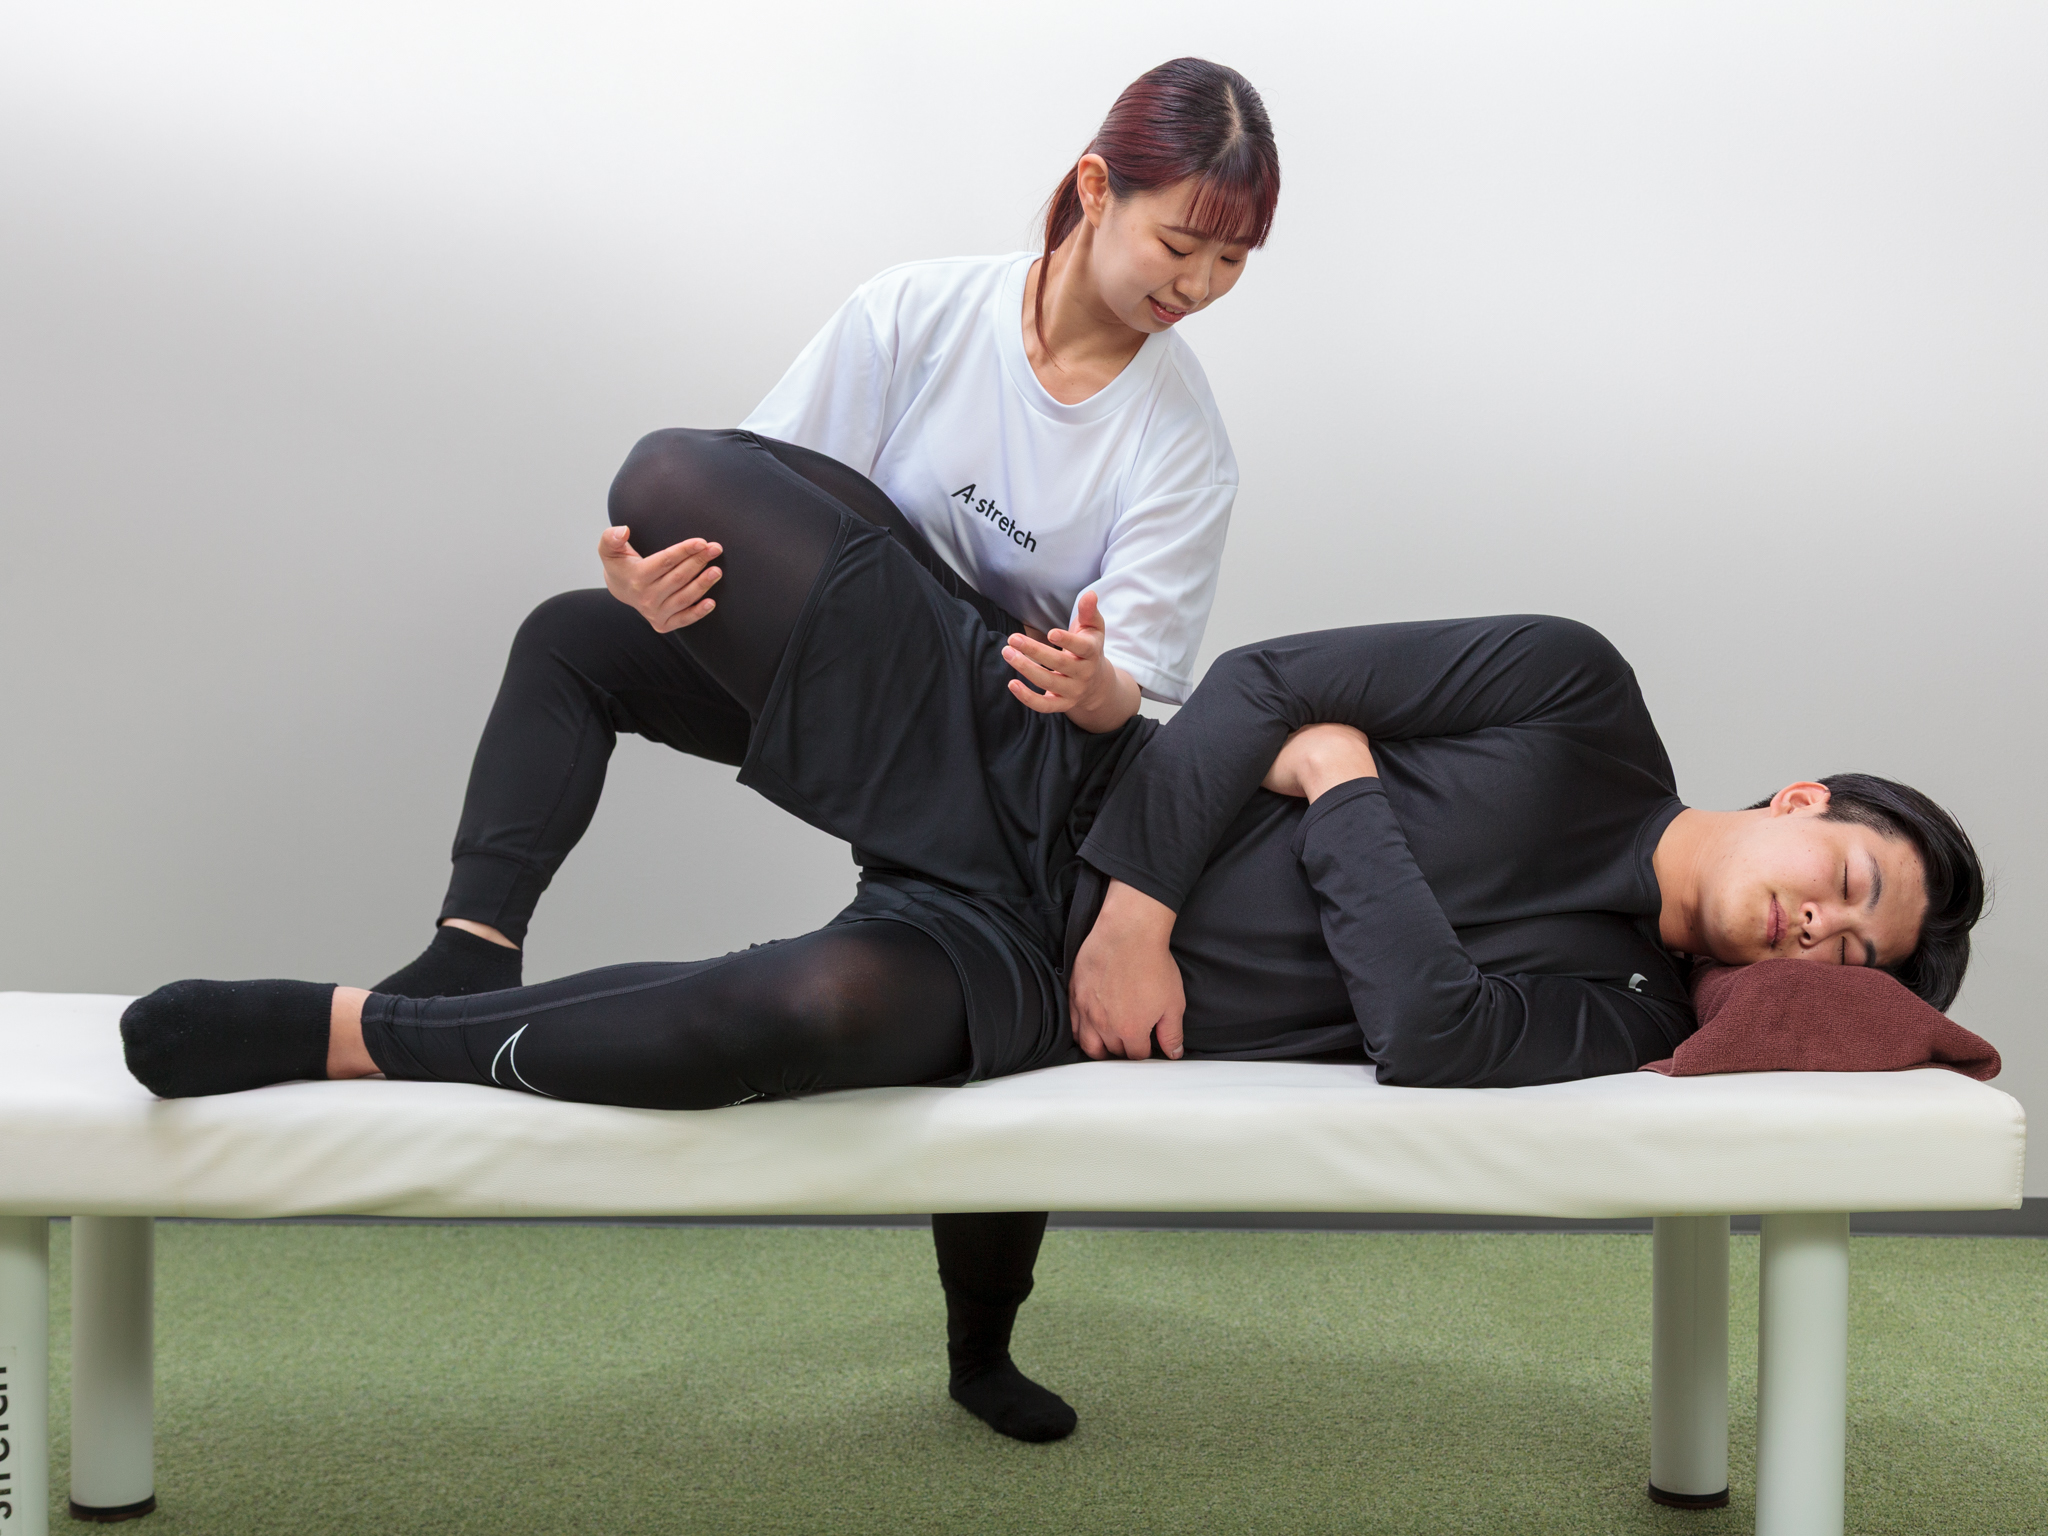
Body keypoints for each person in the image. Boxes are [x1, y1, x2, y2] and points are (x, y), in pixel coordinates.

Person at [124, 429, 1985, 1435]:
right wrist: (1146, 911)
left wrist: (1344, 793)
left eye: (1854, 957)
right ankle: (482, 928)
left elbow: (1431, 1031)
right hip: (1040, 779)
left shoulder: (1629, 1008)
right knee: (666, 500)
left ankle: (351, 1029)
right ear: (1806, 797)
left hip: (1019, 977)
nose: (1824, 929)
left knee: (772, 1021)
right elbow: (1260, 684)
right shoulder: (1577, 694)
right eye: (1852, 882)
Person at [357, 57, 1280, 1443]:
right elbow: (774, 496)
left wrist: (1094, 683)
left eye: (1231, 262)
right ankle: (472, 948)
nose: (1198, 285)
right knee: (580, 625)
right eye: (1181, 243)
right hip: (857, 678)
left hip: (1004, 748)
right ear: (1096, 189)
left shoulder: (1181, 440)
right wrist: (657, 585)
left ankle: (980, 1348)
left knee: (975, 966)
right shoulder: (921, 310)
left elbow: (1131, 706)